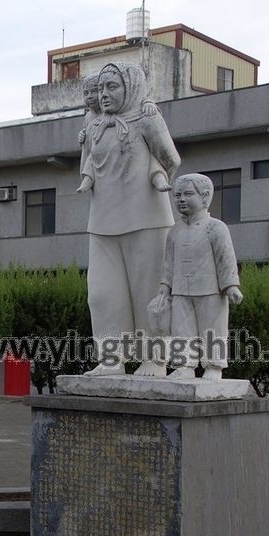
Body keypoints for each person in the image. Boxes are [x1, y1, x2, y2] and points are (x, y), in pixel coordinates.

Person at [82, 61, 180, 376]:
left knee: (148, 292)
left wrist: (158, 174)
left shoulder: (147, 117)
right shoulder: (95, 124)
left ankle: (155, 359)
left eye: (113, 87)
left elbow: (170, 158)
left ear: (131, 87)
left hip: (146, 216)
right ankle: (111, 360)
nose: (105, 94)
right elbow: (89, 166)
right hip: (102, 220)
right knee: (102, 294)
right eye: (101, 88)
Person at [157, 173, 243, 380]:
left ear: (205, 196)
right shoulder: (174, 231)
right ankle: (184, 365)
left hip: (210, 290)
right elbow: (168, 262)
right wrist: (165, 285)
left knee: (213, 328)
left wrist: (231, 286)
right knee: (181, 329)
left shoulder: (216, 227)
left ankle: (214, 366)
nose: (181, 199)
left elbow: (226, 258)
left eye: (188, 194)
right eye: (177, 195)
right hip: (180, 290)